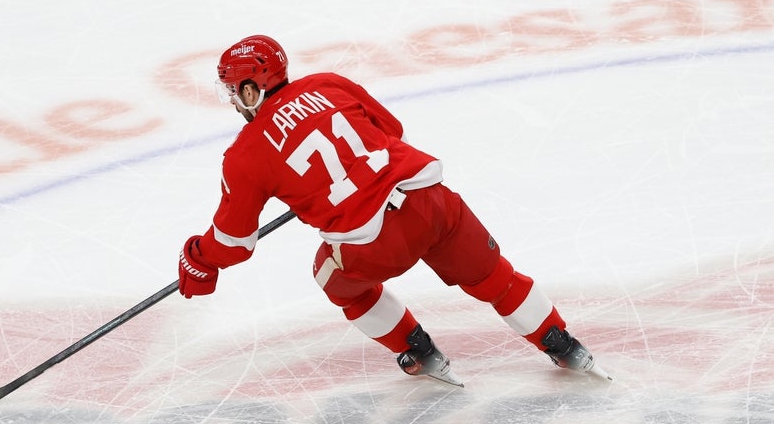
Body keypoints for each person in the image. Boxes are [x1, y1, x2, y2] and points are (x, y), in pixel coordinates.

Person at [177, 34, 609, 386]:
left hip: (373, 244)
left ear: (251, 88)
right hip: (430, 201)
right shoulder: (327, 83)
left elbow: (234, 244)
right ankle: (561, 343)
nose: (232, 102)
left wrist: (199, 259)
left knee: (331, 277)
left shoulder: (244, 156)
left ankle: (417, 349)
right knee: (491, 275)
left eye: (233, 91)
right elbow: (390, 130)